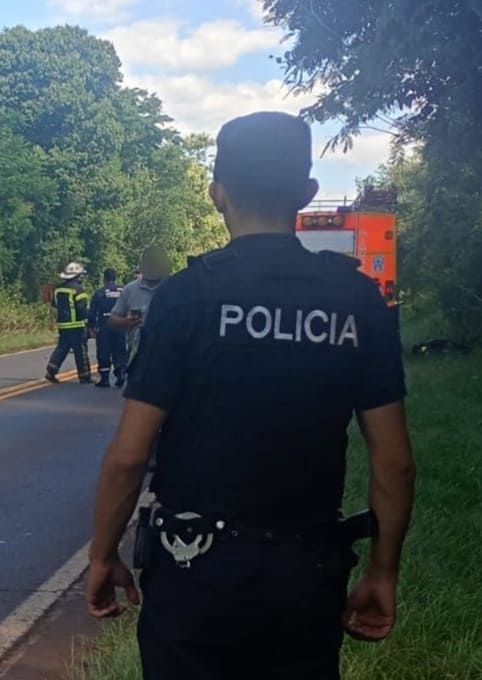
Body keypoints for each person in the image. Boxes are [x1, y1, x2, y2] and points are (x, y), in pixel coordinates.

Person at [84, 111, 415, 680]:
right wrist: (383, 571)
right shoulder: (358, 302)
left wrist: (102, 554)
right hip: (306, 574)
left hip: (194, 573)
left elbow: (129, 458)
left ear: (217, 194)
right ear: (306, 193)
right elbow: (395, 462)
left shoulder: (184, 297)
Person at [108, 246, 171, 367]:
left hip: (167, 355)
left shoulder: (173, 288)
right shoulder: (130, 289)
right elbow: (112, 319)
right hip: (137, 354)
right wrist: (126, 321)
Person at [45, 262, 93, 384]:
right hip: (76, 325)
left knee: (62, 348)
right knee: (80, 351)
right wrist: (89, 322)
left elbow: (55, 304)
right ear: (77, 276)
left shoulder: (58, 289)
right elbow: (82, 309)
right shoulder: (78, 290)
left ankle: (50, 372)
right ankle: (84, 376)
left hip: (63, 325)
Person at [89, 267, 128, 388]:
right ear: (115, 278)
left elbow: (92, 312)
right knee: (120, 350)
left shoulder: (99, 292)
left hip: (105, 325)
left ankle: (105, 379)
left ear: (104, 278)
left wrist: (92, 326)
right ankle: (121, 372)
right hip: (121, 324)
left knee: (104, 351)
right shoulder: (124, 290)